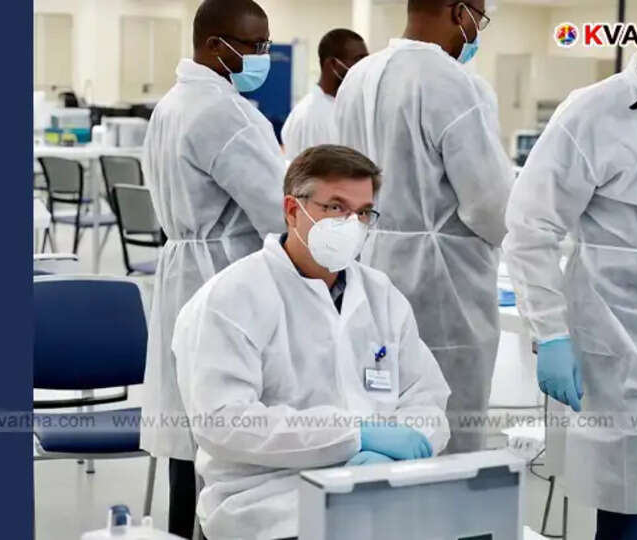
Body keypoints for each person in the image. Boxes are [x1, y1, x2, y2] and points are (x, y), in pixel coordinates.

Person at [173, 145, 451, 540]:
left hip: (378, 488)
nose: (352, 223)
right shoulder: (231, 298)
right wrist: (353, 436)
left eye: (364, 212)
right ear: (292, 210)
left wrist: (408, 441)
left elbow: (427, 396)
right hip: (270, 502)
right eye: (335, 208)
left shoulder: (380, 295)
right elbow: (222, 422)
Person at [334, 0, 515, 453]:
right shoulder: (450, 82)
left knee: (377, 421)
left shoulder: (360, 77)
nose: (478, 32)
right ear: (460, 12)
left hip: (366, 271)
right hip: (440, 289)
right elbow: (491, 205)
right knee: (446, 430)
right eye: (480, 19)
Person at [139, 0, 286, 537]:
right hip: (224, 278)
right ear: (212, 45)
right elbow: (279, 209)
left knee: (191, 437)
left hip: (188, 273)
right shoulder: (223, 112)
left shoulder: (174, 104)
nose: (262, 57)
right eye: (252, 46)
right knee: (227, 443)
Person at [502, 50, 637, 540]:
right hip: (620, 345)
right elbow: (530, 227)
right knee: (632, 510)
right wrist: (551, 331)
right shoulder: (595, 111)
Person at [280, 29, 369, 160]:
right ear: (333, 64)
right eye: (358, 60)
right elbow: (317, 174)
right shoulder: (311, 115)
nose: (365, 66)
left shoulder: (340, 106)